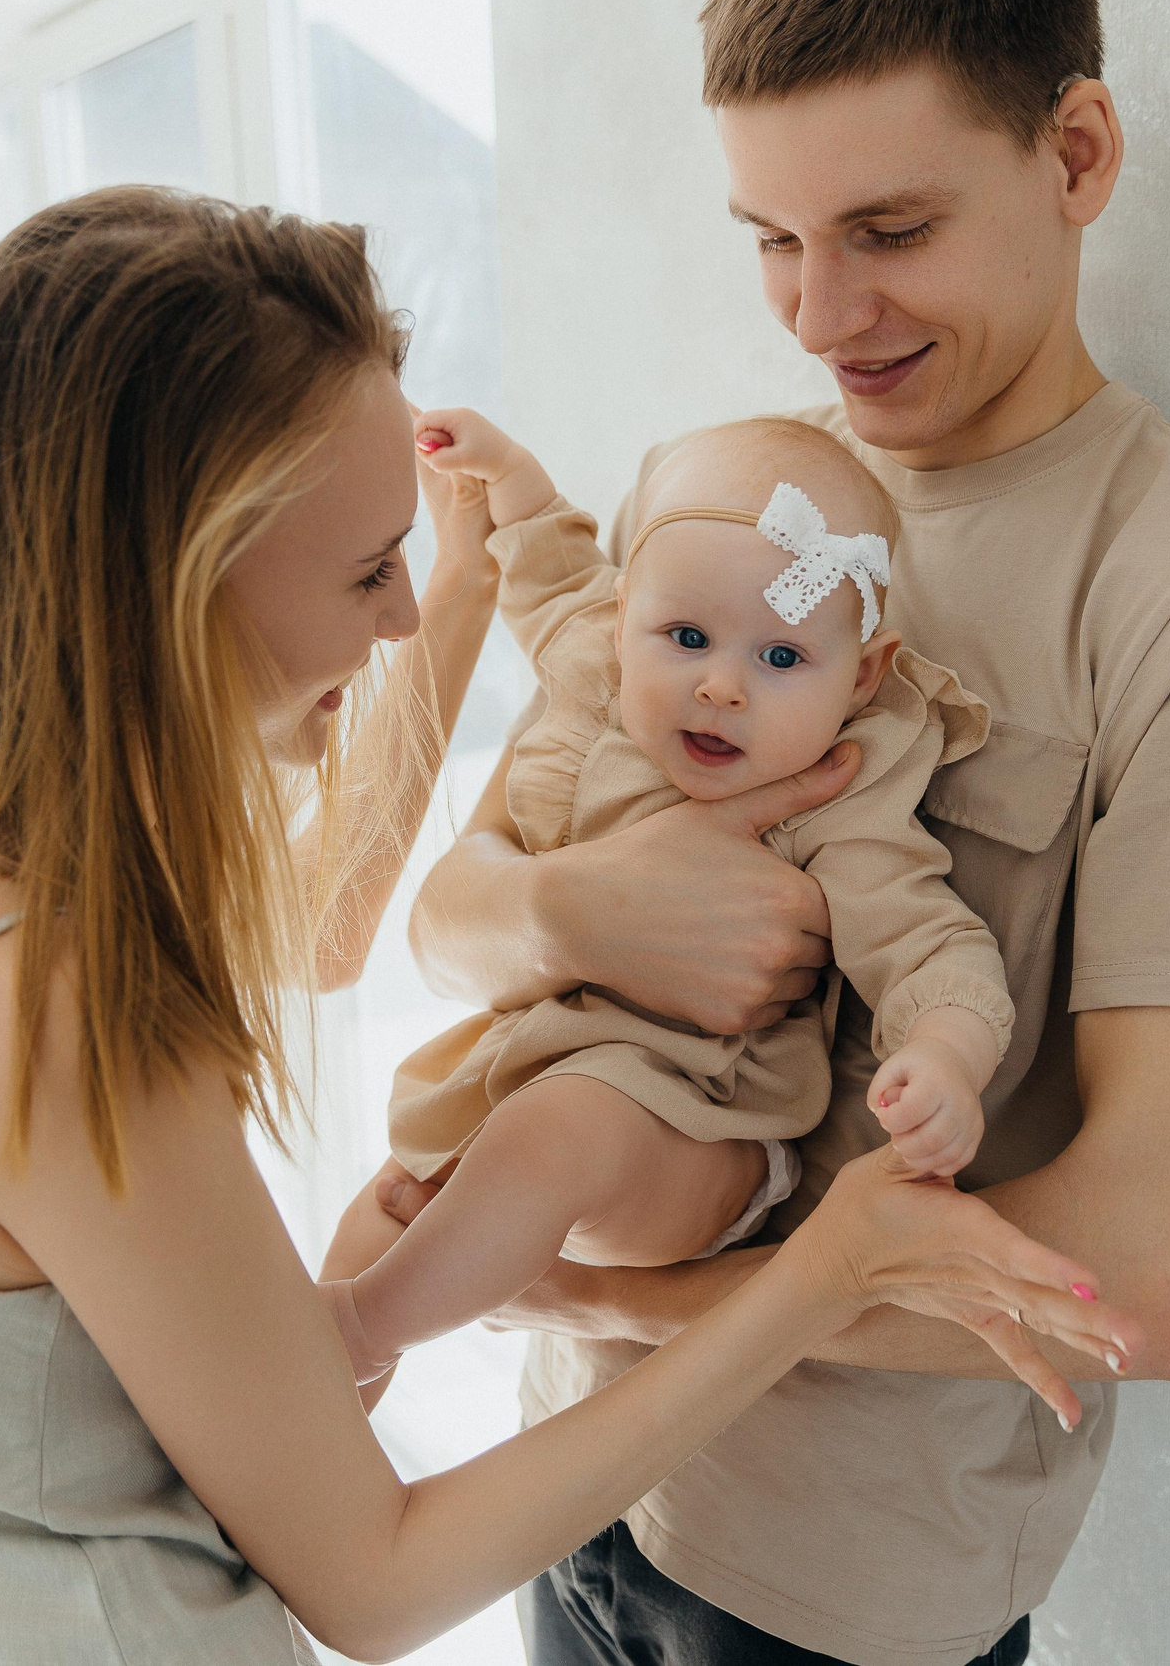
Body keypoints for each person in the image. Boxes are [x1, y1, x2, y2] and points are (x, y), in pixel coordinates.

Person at [0, 184, 1138, 1665]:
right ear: (172, 575)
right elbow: (378, 1580)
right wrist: (823, 1272)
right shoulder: (52, 1007)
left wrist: (471, 601)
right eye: (365, 570)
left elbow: (321, 931)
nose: (401, 615)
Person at [347, 0, 1170, 1662]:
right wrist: (570, 915)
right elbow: (468, 897)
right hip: (569, 1484)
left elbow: (1167, 1275)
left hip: (832, 1600)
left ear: (1079, 153)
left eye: (889, 230)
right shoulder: (742, 488)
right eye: (771, 236)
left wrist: (597, 1289)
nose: (819, 317)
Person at [322, 409, 1043, 1392]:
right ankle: (312, 1422)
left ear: (862, 676)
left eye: (781, 658)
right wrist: (507, 473)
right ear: (625, 620)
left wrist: (944, 1059)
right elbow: (547, 566)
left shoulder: (840, 793)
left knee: (552, 1133)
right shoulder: (601, 662)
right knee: (400, 1197)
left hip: (700, 1129)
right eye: (687, 636)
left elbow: (931, 946)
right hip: (533, 1068)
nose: (719, 687)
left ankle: (361, 1330)